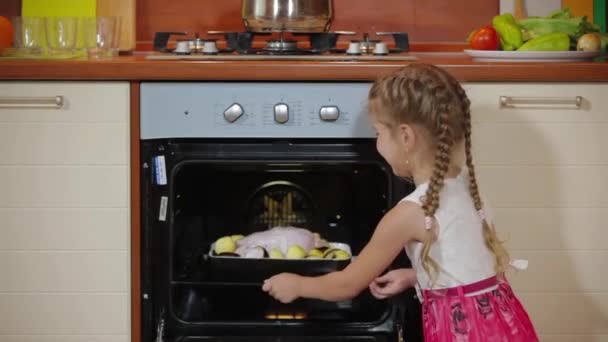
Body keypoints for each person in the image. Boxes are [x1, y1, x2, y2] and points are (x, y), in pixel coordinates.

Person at [262, 63, 539, 341]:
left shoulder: (408, 214)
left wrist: (297, 285)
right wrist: (414, 275)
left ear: (406, 137)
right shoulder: (469, 187)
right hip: (504, 324)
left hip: (463, 333)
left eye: (378, 133)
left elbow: (347, 285)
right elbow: (469, 266)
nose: (377, 142)